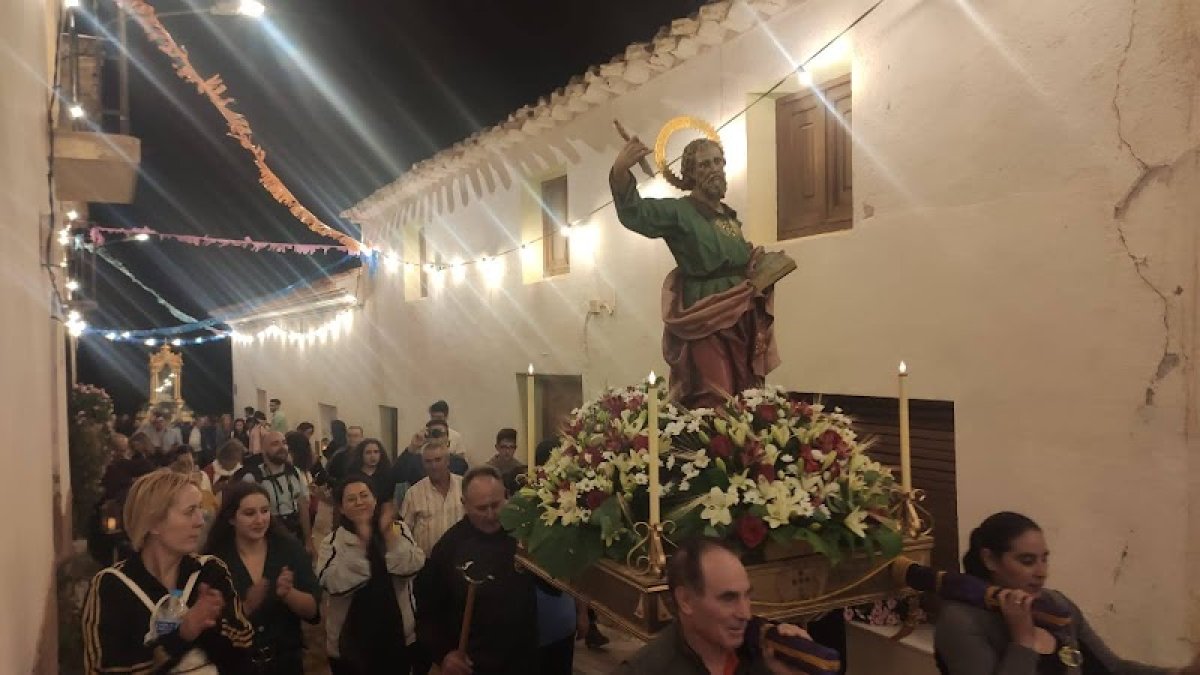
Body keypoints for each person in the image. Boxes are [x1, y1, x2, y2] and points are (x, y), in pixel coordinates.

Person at [610, 135, 783, 408]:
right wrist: (620, 171)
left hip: (741, 313)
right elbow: (636, 212)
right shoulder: (679, 211)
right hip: (705, 313)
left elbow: (735, 257)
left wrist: (757, 264)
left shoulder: (728, 216)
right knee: (714, 391)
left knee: (743, 392)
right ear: (689, 173)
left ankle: (739, 447)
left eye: (717, 161)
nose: (713, 168)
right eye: (704, 164)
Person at [935, 512, 1200, 675]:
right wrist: (1023, 642)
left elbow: (1111, 669)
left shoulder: (1055, 605)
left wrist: (1179, 673)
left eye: (1044, 559)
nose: (1041, 572)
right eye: (1027, 561)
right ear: (990, 560)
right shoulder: (961, 621)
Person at [82, 470, 255, 672]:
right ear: (154, 523)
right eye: (190, 511)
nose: (201, 521)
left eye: (200, 509)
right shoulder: (112, 586)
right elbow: (107, 669)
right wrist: (182, 634)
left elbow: (244, 648)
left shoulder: (209, 572)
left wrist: (211, 625)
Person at [618, 537, 830, 675]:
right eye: (728, 598)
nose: (745, 614)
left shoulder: (762, 655)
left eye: (747, 596)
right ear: (686, 600)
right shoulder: (647, 669)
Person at [415, 466, 537, 675]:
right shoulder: (449, 547)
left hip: (523, 659)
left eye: (496, 505)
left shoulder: (523, 535)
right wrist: (444, 653)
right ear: (464, 504)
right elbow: (427, 614)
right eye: (481, 508)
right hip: (474, 664)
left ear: (507, 496)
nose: (491, 515)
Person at [205, 481, 319, 675]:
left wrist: (289, 594)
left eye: (265, 511)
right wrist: (245, 608)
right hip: (237, 665)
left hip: (285, 663)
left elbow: (313, 612)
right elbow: (209, 631)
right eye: (250, 513)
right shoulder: (215, 561)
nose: (260, 520)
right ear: (231, 518)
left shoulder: (289, 550)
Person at [317, 474, 425, 674]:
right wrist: (362, 544)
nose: (359, 502)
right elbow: (331, 582)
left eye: (364, 495)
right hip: (351, 640)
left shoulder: (397, 529)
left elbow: (413, 565)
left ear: (374, 499)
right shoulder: (332, 541)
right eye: (351, 499)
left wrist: (389, 537)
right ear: (341, 508)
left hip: (396, 632)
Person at [241, 431, 313, 552]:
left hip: (295, 536)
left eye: (284, 443)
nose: (282, 447)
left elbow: (303, 507)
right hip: (268, 540)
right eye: (275, 444)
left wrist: (308, 541)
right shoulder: (253, 478)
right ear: (263, 450)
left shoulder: (295, 472)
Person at [400, 440, 464, 556]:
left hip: (461, 560)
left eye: (438, 460)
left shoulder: (465, 486)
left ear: (448, 461)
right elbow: (403, 532)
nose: (433, 466)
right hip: (426, 563)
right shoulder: (413, 493)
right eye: (428, 461)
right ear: (423, 464)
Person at [346, 438, 396, 511]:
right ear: (361, 455)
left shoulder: (387, 474)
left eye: (376, 452)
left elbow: (389, 499)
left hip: (383, 512)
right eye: (368, 452)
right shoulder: (353, 475)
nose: (373, 456)